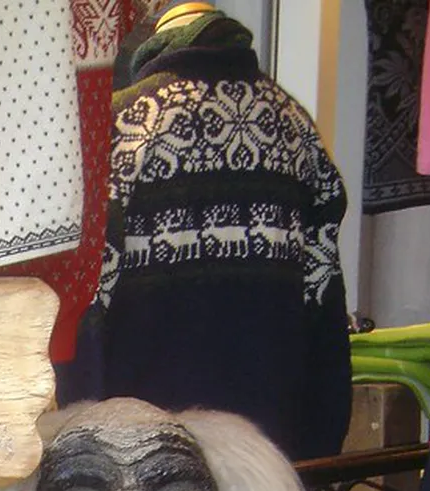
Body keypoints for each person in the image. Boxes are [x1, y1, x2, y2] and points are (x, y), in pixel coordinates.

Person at [62, 1, 353, 463]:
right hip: (267, 460)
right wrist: (318, 453)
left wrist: (79, 435)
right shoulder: (297, 129)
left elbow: (90, 309)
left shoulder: (121, 125)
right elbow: (324, 304)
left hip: (141, 460)